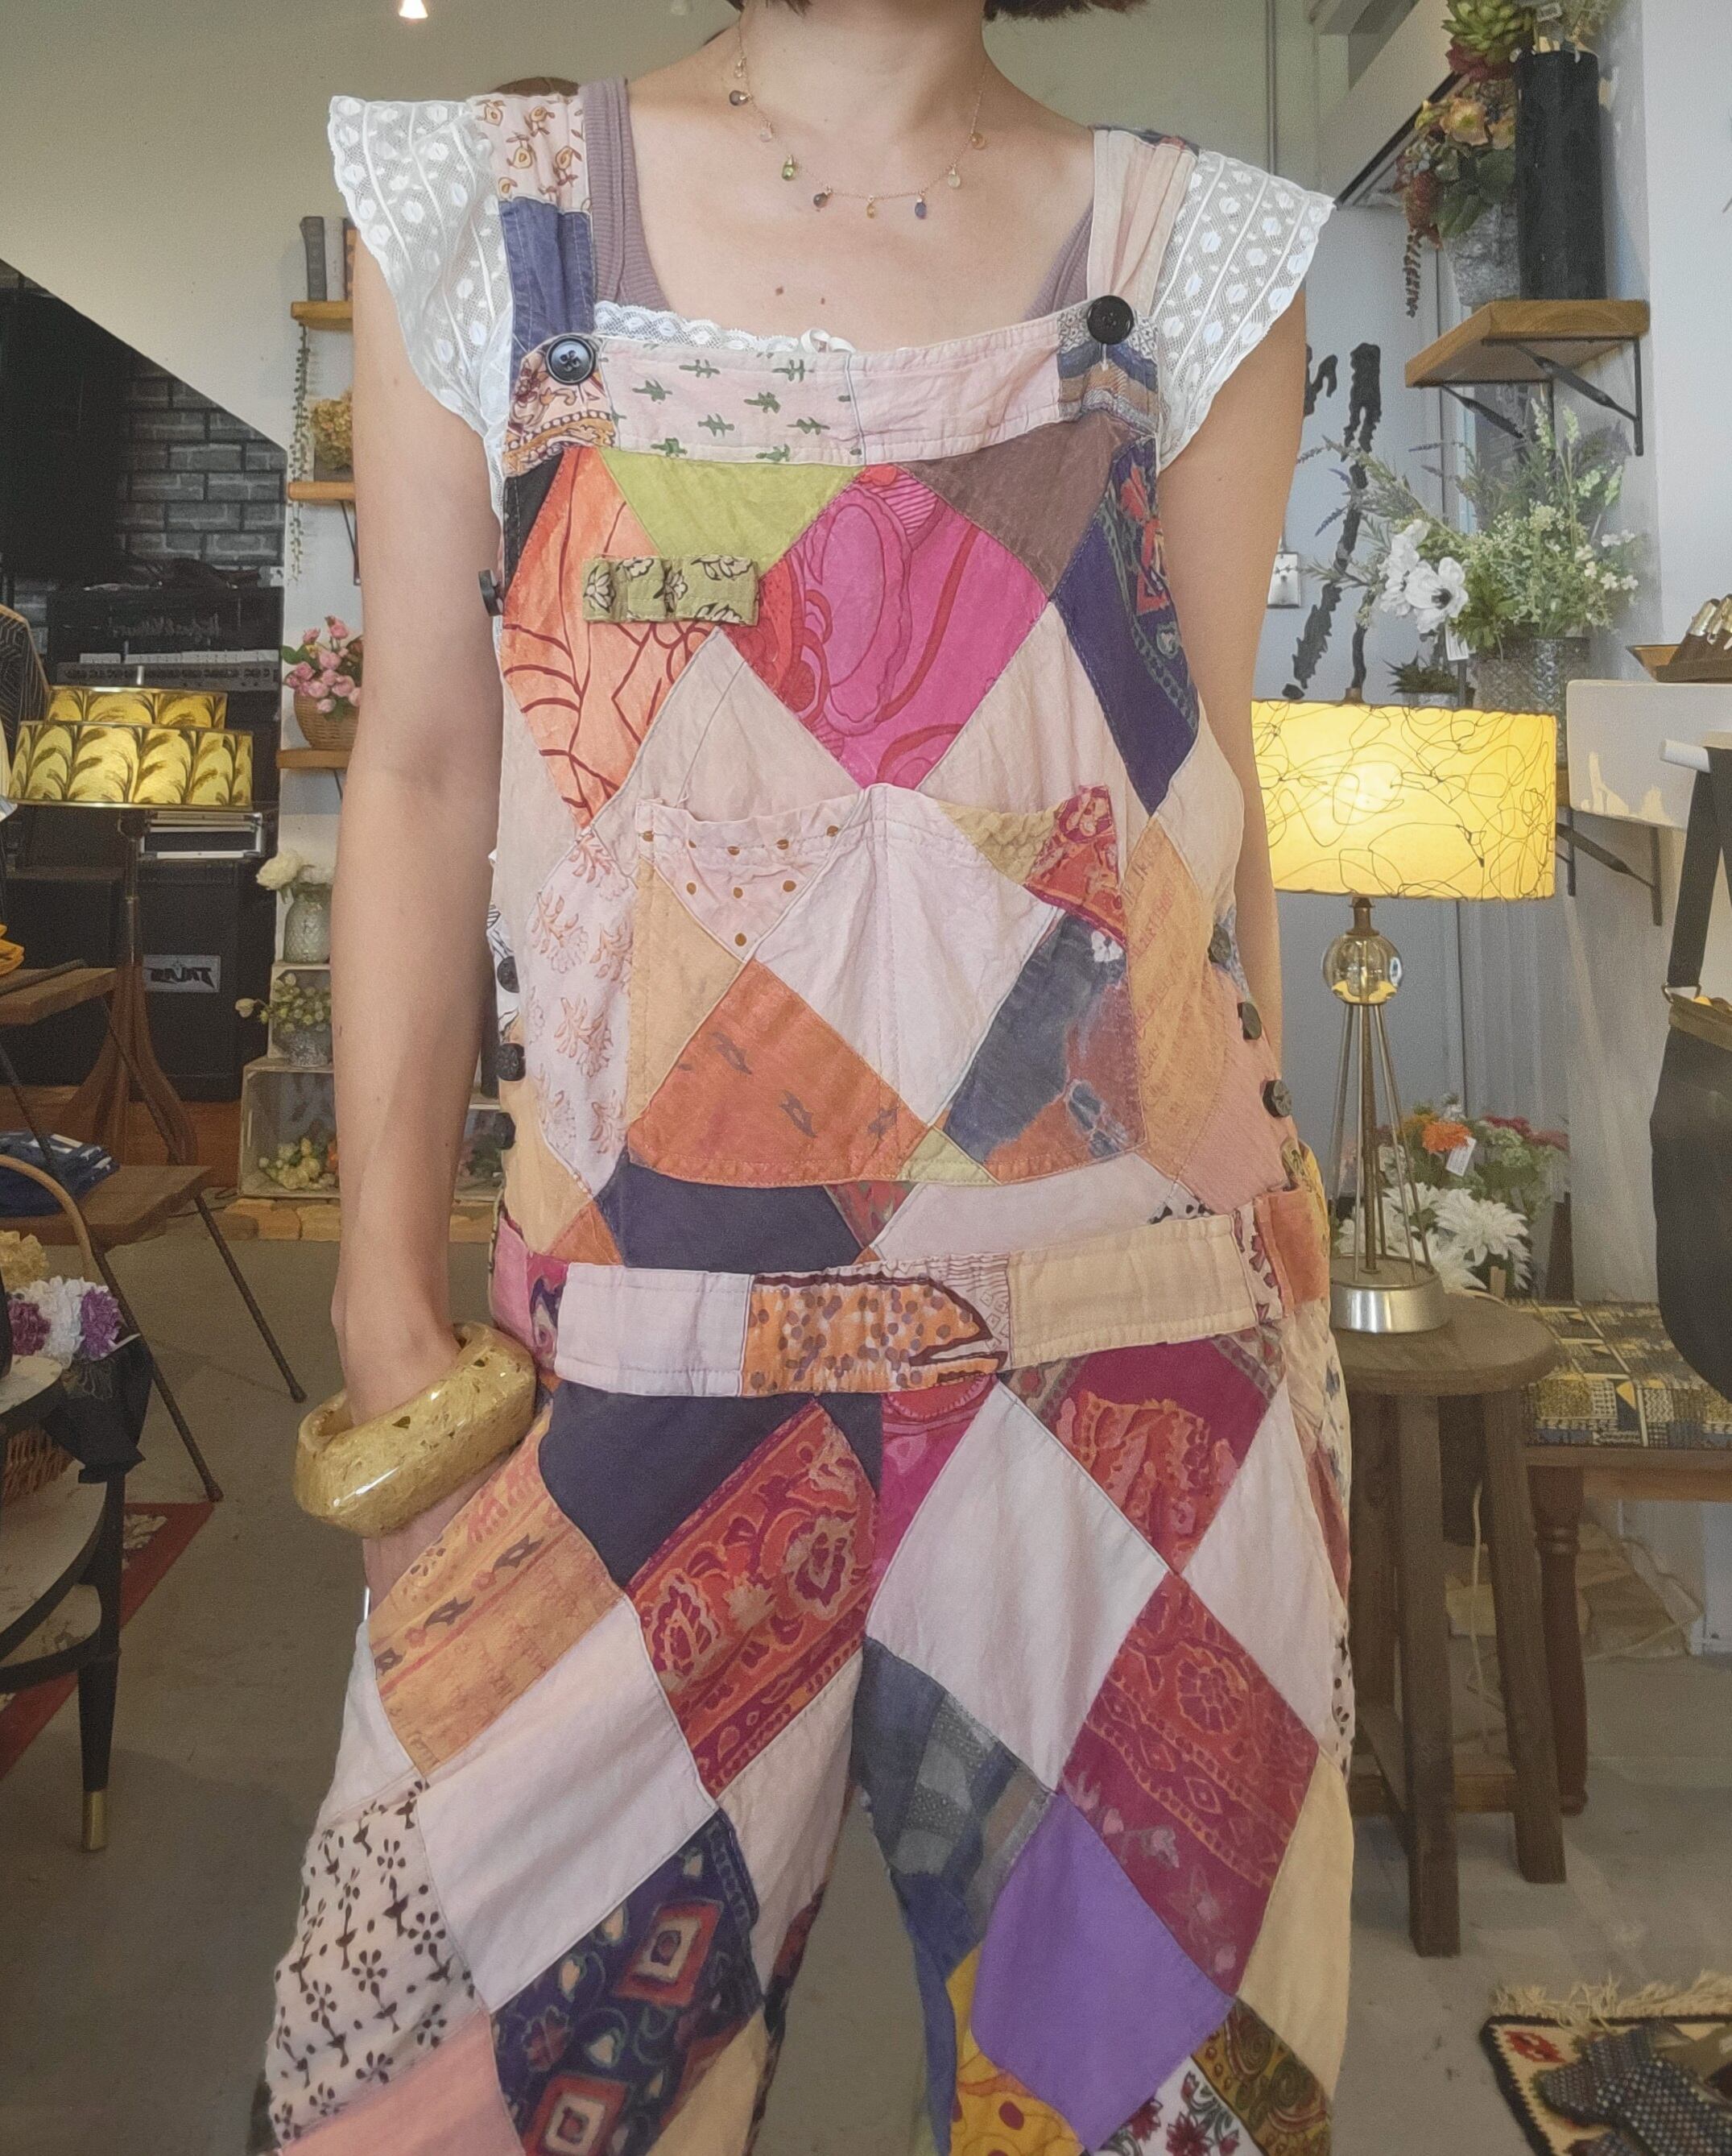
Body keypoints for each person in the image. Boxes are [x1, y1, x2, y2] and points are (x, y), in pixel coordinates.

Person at [267, 2, 1354, 2149]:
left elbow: (1210, 797)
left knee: (1158, 2117)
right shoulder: (482, 215)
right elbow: (421, 767)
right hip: (626, 1365)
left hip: (1141, 1368)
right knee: (444, 2097)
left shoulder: (1199, 253)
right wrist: (383, 1313)